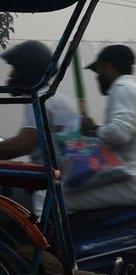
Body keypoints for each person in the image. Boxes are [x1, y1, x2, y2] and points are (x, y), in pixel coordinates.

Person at [77, 44, 136, 213]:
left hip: (134, 181)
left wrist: (93, 129)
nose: (97, 78)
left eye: (98, 71)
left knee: (58, 198)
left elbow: (119, 133)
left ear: (108, 67)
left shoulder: (121, 88)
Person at [0, 41, 79, 211]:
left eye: (15, 68)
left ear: (27, 71)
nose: (10, 75)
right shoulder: (58, 99)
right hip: (62, 179)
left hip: (57, 187)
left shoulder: (42, 101)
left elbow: (24, 144)